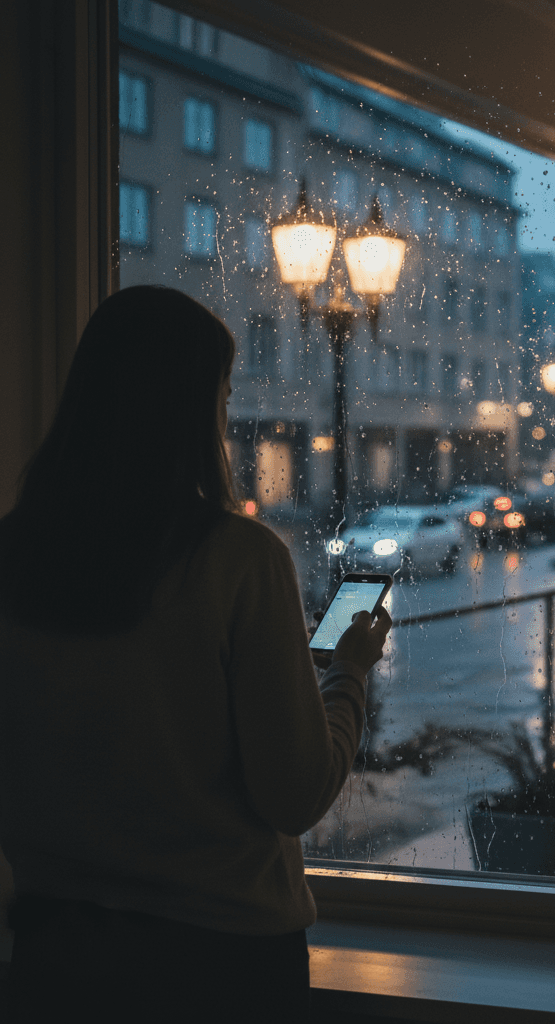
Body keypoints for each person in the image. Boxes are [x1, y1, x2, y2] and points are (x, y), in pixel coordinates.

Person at [0, 285, 390, 1021]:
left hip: (56, 957)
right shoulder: (238, 560)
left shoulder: (13, 557)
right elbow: (296, 794)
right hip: (220, 963)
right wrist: (349, 671)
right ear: (190, 409)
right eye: (223, 391)